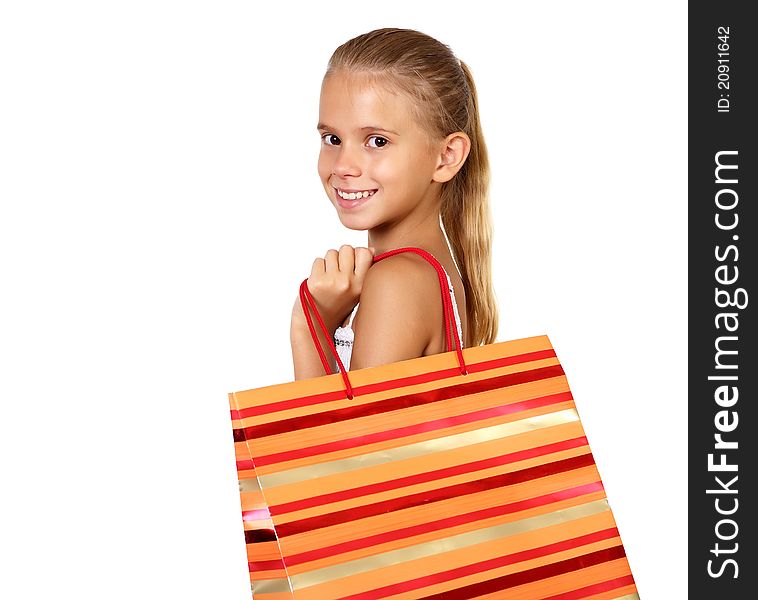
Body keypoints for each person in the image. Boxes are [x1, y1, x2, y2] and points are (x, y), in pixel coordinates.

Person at [291, 27, 498, 380]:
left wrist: (309, 325)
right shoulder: (433, 270)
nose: (342, 166)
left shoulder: (397, 281)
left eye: (377, 141)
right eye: (333, 138)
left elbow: (351, 436)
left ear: (447, 156)